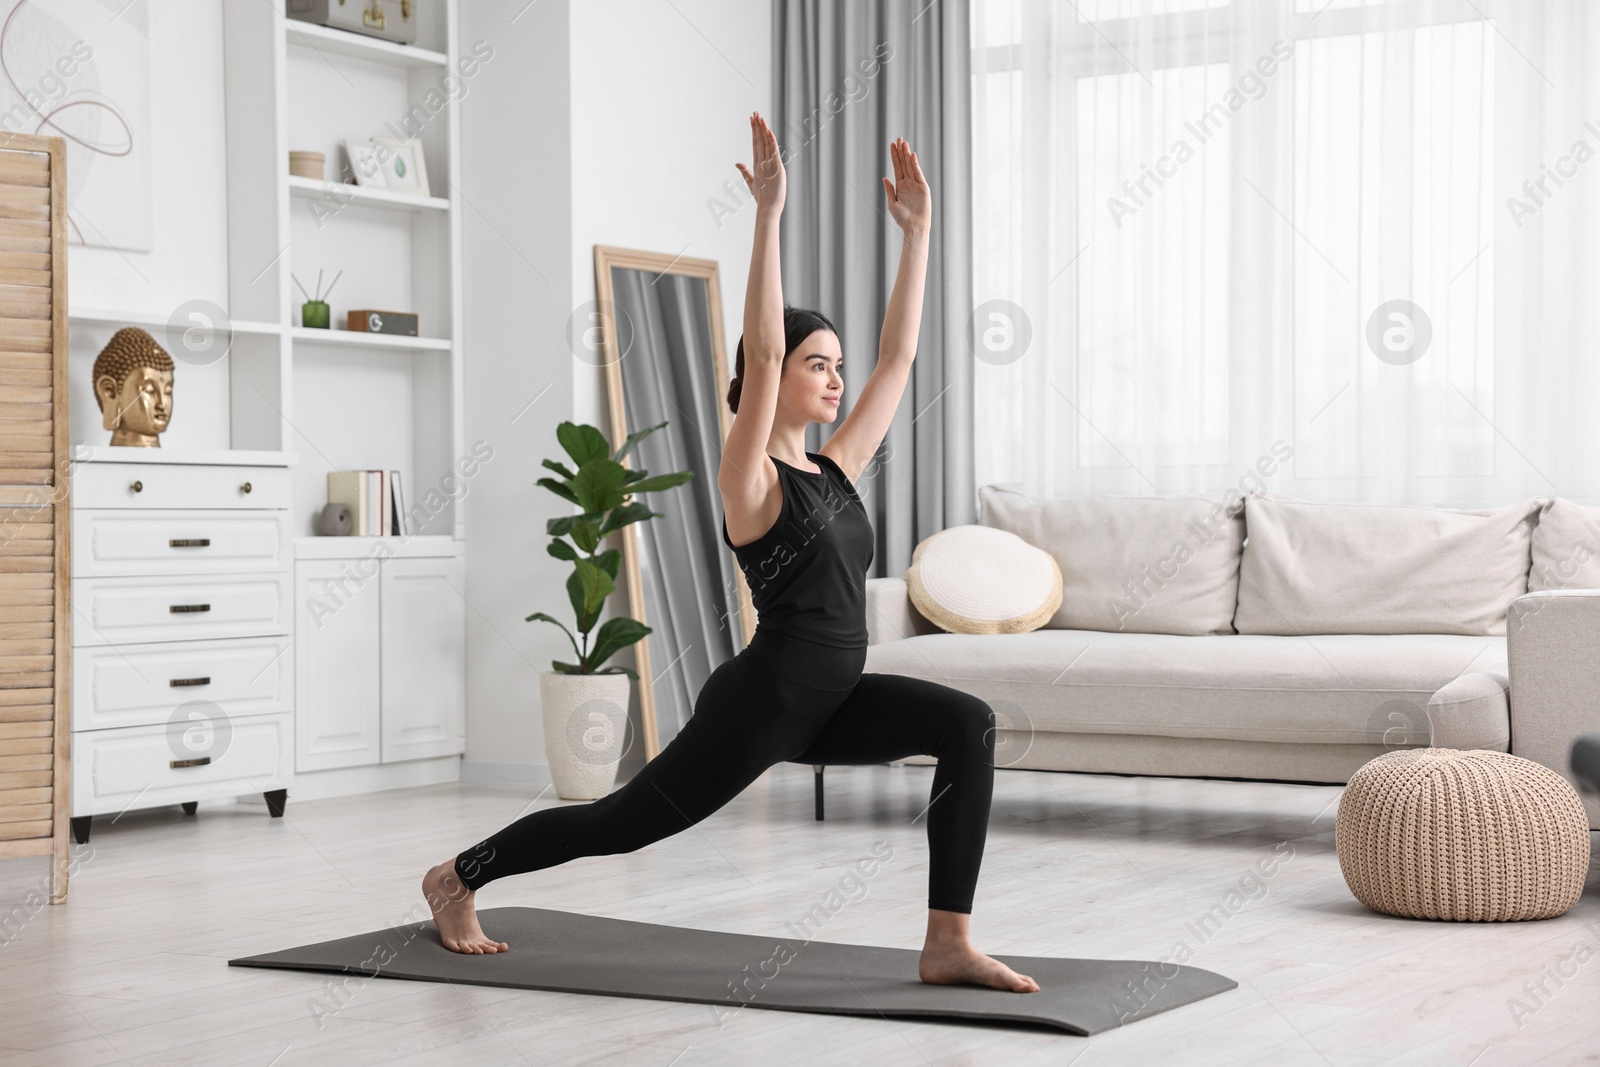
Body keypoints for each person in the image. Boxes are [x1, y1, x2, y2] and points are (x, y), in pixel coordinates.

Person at [423, 112, 1038, 994]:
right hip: (764, 704)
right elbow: (758, 343)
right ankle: (457, 875)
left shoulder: (835, 466)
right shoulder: (750, 477)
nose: (834, 377)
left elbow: (899, 357)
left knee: (965, 724)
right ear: (773, 372)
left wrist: (920, 234)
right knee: (620, 823)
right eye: (816, 362)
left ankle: (947, 940)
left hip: (836, 699)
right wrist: (769, 217)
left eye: (835, 365)